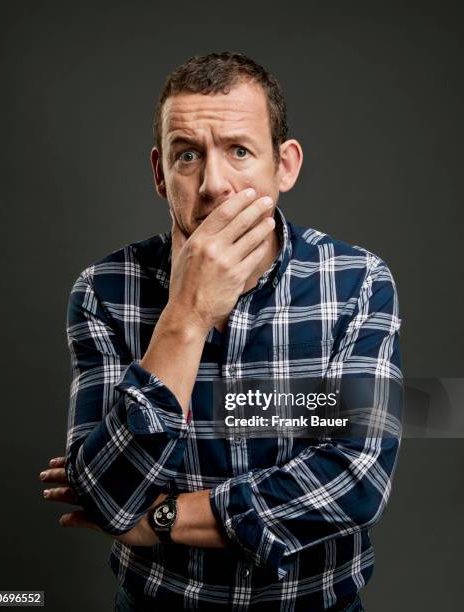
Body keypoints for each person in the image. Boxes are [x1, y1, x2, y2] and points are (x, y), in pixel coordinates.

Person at [39, 52, 403, 611]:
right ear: (161, 173)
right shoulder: (104, 290)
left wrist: (163, 516)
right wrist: (185, 315)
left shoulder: (355, 282)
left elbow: (355, 481)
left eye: (238, 150)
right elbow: (108, 499)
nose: (213, 184)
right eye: (188, 156)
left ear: (284, 165)